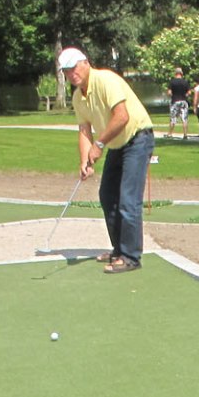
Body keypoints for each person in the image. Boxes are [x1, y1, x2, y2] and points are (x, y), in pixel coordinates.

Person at [60, 47, 155, 274]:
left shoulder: (105, 80)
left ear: (86, 63)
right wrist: (85, 161)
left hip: (137, 138)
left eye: (74, 68)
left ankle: (131, 257)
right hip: (116, 144)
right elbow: (84, 129)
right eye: (66, 71)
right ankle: (119, 250)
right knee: (107, 195)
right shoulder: (77, 97)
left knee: (128, 199)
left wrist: (99, 144)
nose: (72, 74)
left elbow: (122, 117)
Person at [166, 67, 192, 139]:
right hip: (183, 101)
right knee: (184, 118)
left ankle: (170, 133)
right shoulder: (185, 82)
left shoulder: (172, 82)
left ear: (175, 73)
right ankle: (185, 134)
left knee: (173, 118)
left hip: (175, 101)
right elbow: (189, 92)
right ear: (181, 73)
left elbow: (169, 92)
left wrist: (173, 95)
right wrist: (185, 95)